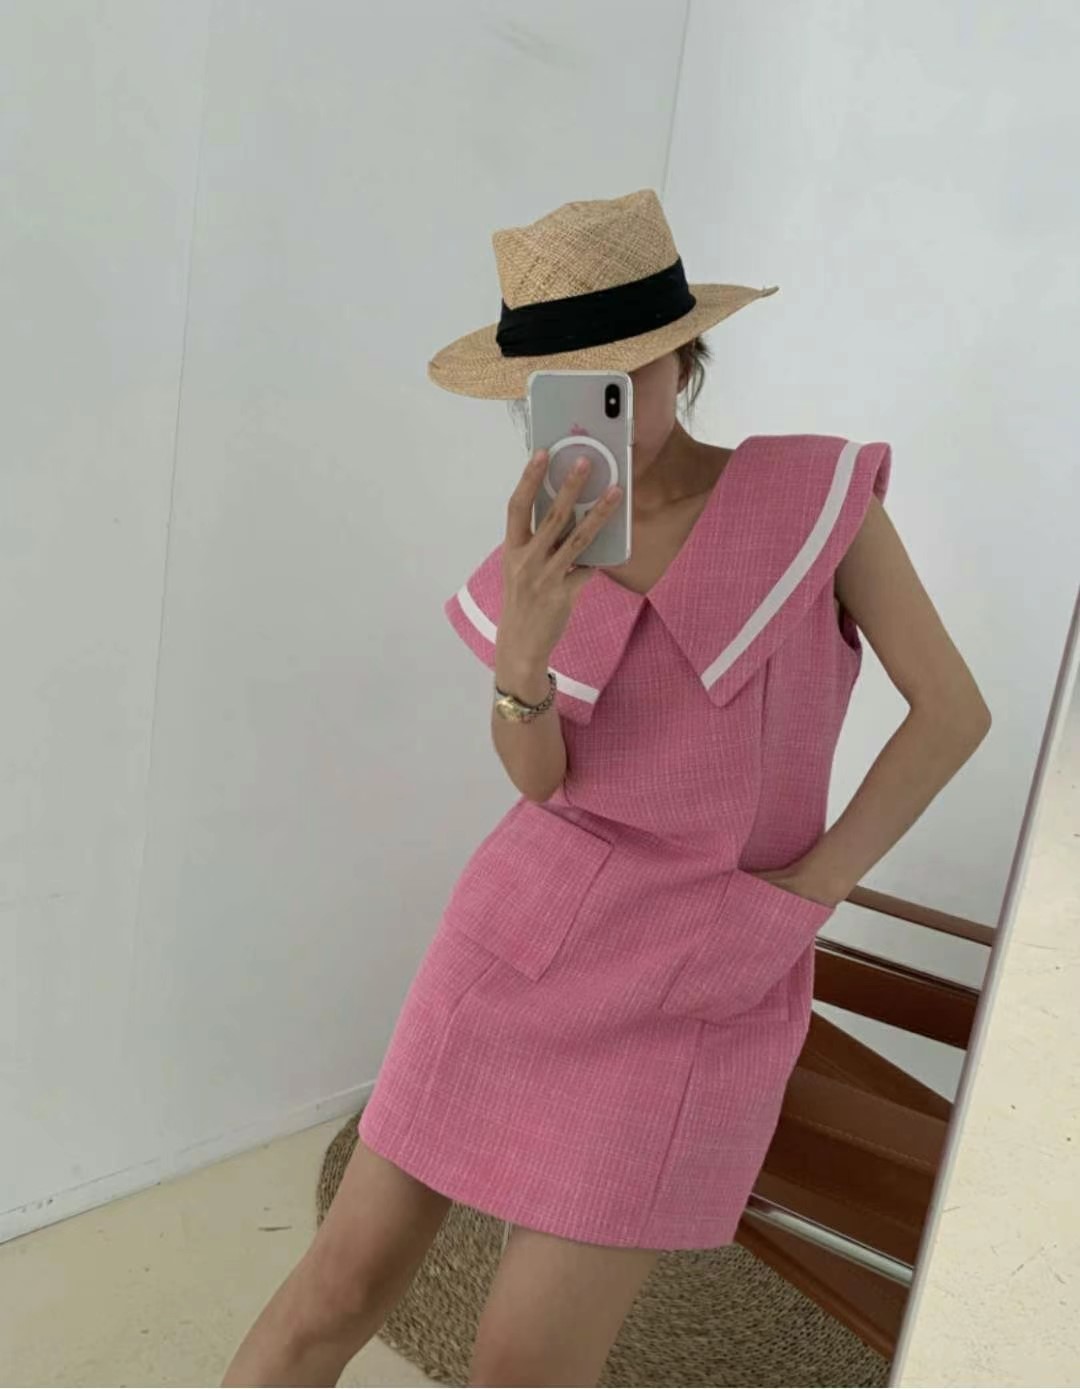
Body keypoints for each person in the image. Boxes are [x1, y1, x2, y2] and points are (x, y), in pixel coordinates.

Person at [222, 189, 991, 1387]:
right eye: (570, 384)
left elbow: (951, 713)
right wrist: (523, 655)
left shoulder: (817, 505)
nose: (607, 404)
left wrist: (810, 889)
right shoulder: (542, 548)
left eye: (628, 370)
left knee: (522, 1369)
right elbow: (543, 786)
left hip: (701, 981)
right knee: (337, 1289)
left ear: (688, 356)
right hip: (515, 943)